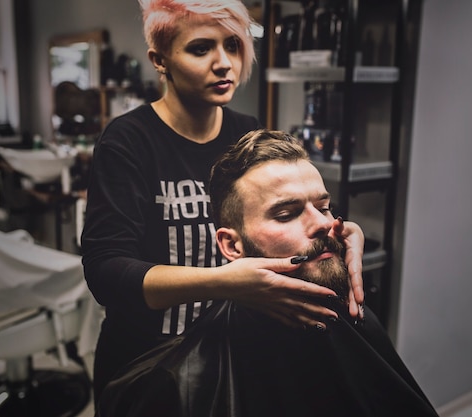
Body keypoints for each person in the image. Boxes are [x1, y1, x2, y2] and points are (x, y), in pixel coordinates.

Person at [81, 0, 366, 406]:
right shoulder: (129, 141)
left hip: (233, 349)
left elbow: (283, 224)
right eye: (200, 49)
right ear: (160, 60)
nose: (224, 63)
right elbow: (106, 272)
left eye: (233, 46)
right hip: (150, 364)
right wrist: (226, 282)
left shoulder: (247, 134)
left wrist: (335, 232)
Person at [97, 129, 440, 417]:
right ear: (231, 247)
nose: (324, 224)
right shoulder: (172, 386)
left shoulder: (351, 320)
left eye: (324, 207)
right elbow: (106, 268)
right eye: (286, 214)